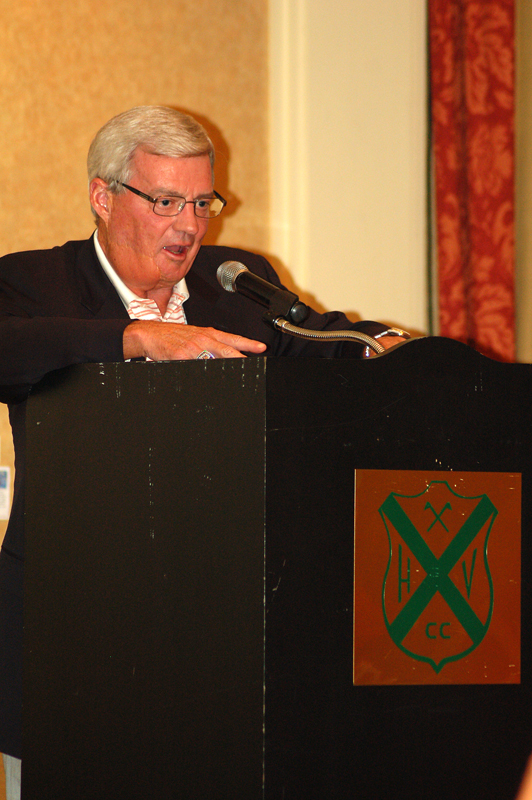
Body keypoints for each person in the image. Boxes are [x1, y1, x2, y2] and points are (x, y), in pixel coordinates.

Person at [0, 105, 406, 799]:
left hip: (220, 636)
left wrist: (395, 351)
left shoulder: (236, 283)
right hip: (68, 633)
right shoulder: (34, 284)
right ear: (103, 197)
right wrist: (134, 338)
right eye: (165, 201)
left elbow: (318, 337)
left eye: (201, 202)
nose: (190, 226)